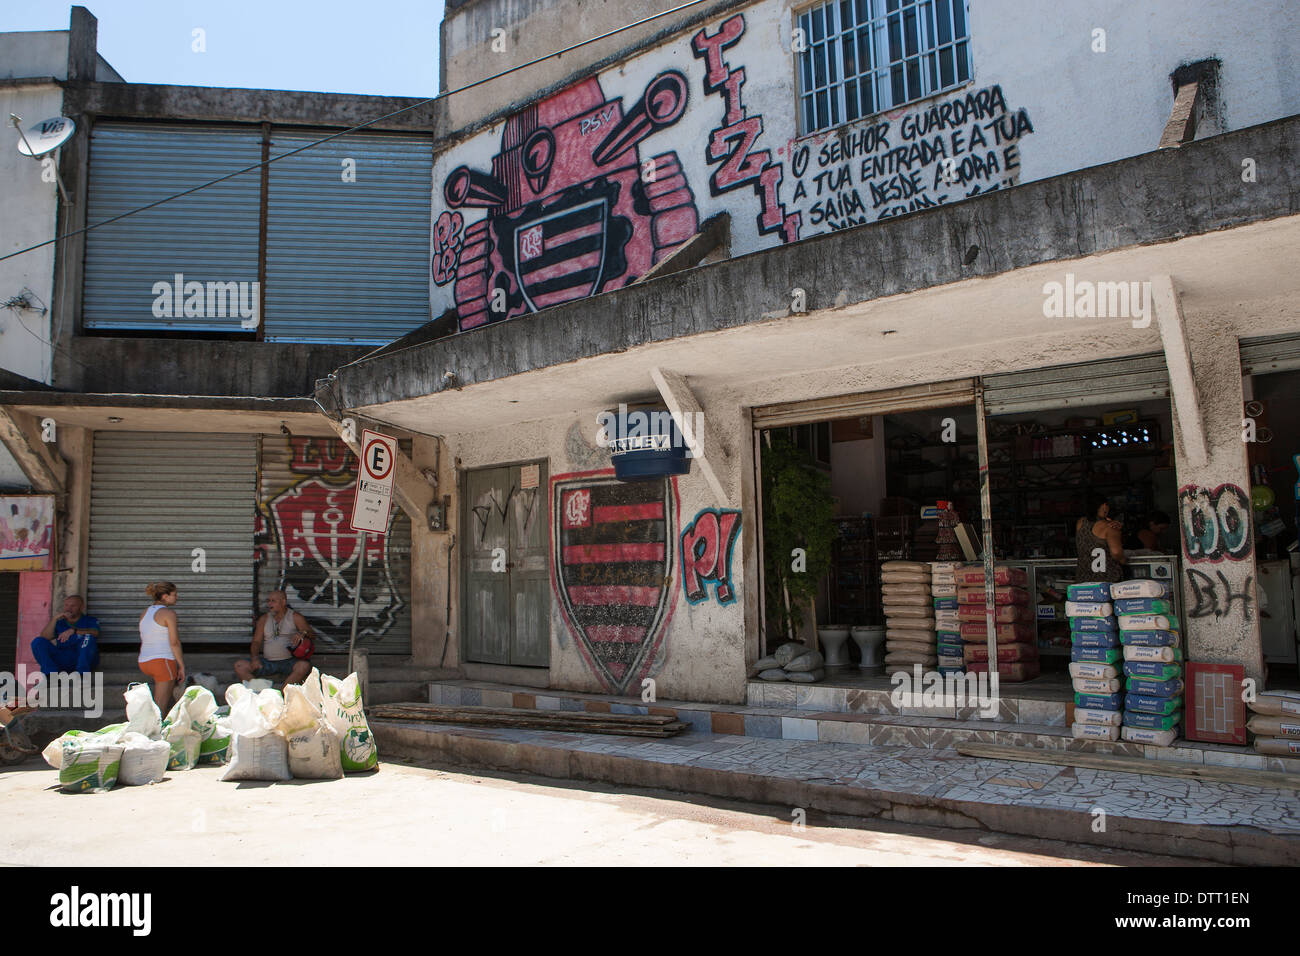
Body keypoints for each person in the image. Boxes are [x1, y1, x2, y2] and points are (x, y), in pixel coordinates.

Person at [234, 591, 315, 688]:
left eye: (273, 601)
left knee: (304, 666)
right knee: (240, 666)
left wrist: (303, 633)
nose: (269, 604)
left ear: (283, 602)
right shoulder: (264, 619)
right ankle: (262, 691)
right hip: (268, 662)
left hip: (289, 662)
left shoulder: (295, 617)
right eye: (268, 601)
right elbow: (256, 642)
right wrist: (255, 658)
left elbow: (312, 634)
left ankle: (284, 693)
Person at [139, 581, 185, 711]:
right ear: (165, 596)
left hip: (144, 661)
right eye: (174, 594)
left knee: (158, 703)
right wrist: (181, 666)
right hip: (162, 662)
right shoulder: (169, 614)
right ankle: (155, 730)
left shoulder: (145, 612)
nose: (177, 597)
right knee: (160, 707)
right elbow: (174, 642)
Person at [31, 594, 100, 676]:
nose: (69, 608)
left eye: (73, 606)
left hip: (82, 659)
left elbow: (95, 633)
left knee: (88, 637)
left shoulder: (89, 620)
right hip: (63, 658)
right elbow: (45, 637)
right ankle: (50, 674)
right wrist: (55, 619)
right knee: (38, 641)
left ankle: (82, 674)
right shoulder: (60, 622)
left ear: (81, 607)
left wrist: (74, 631)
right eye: (66, 605)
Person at [1075, 495, 1126, 583]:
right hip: (1107, 579)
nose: (1106, 507)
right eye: (1104, 504)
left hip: (1083, 579)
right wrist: (1123, 560)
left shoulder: (1080, 523)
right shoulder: (1110, 527)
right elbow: (1116, 552)